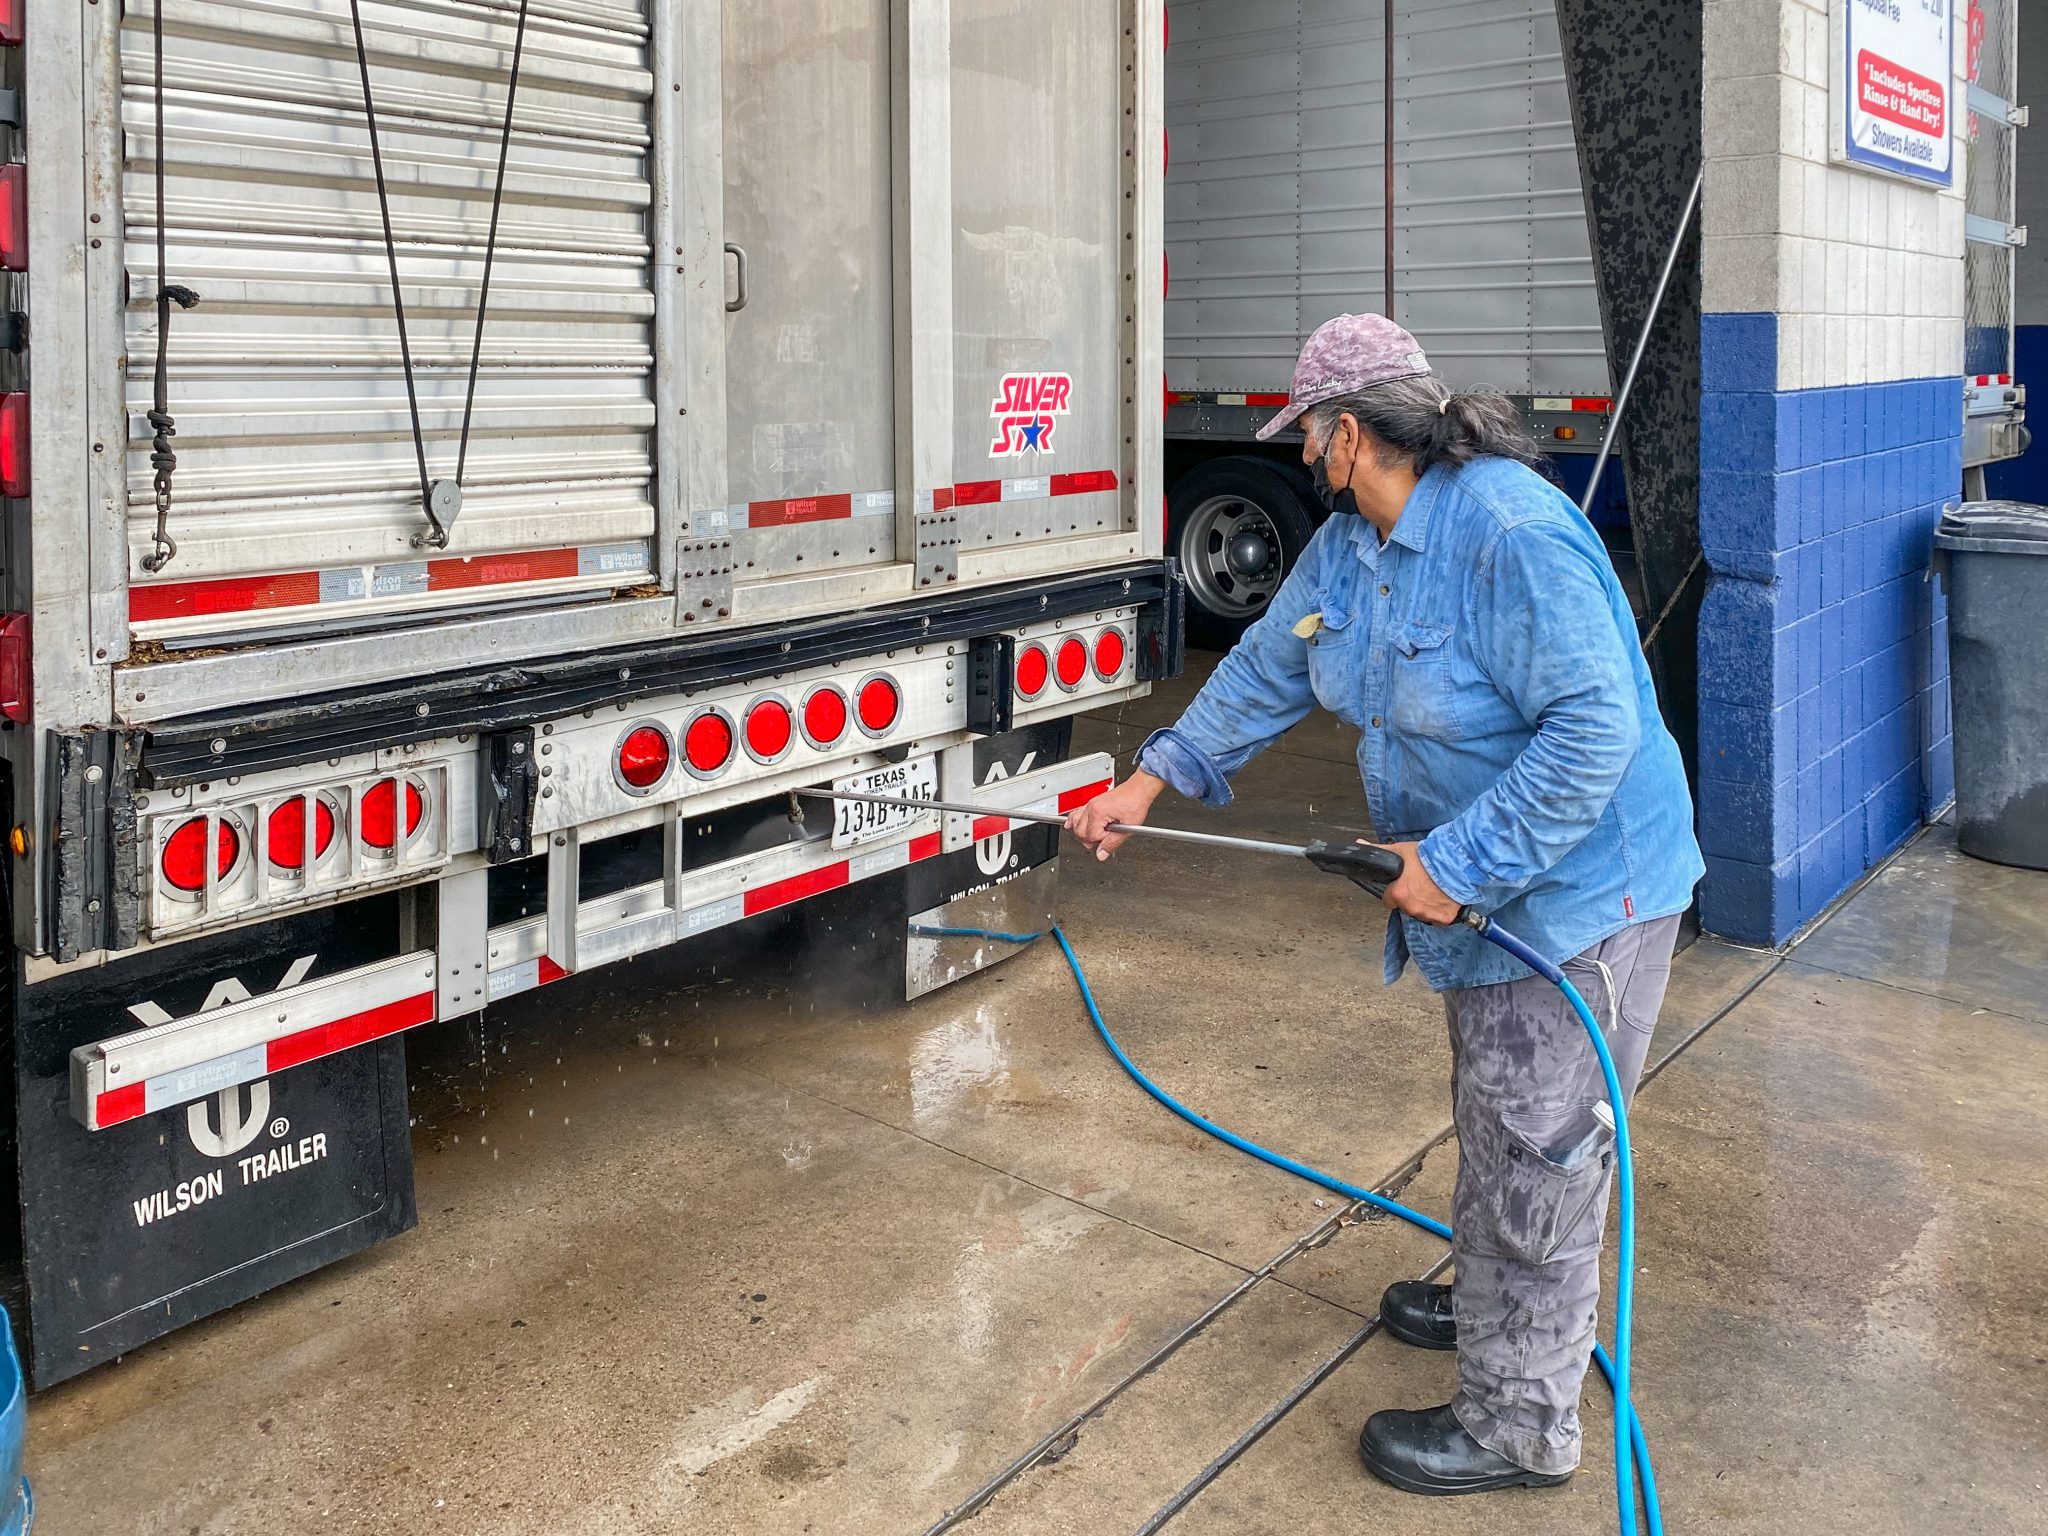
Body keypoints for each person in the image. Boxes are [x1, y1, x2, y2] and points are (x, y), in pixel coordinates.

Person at [1069, 314, 1704, 1497]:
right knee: (1500, 1107)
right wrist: (1145, 783)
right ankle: (1491, 1304)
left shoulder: (1508, 535)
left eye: (1306, 437)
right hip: (1482, 898)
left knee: (1539, 1154)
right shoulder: (1353, 547)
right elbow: (1262, 668)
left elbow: (1595, 730)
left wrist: (1457, 864)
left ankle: (1520, 1425)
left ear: (1347, 433)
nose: (1301, 455)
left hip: (1577, 896)